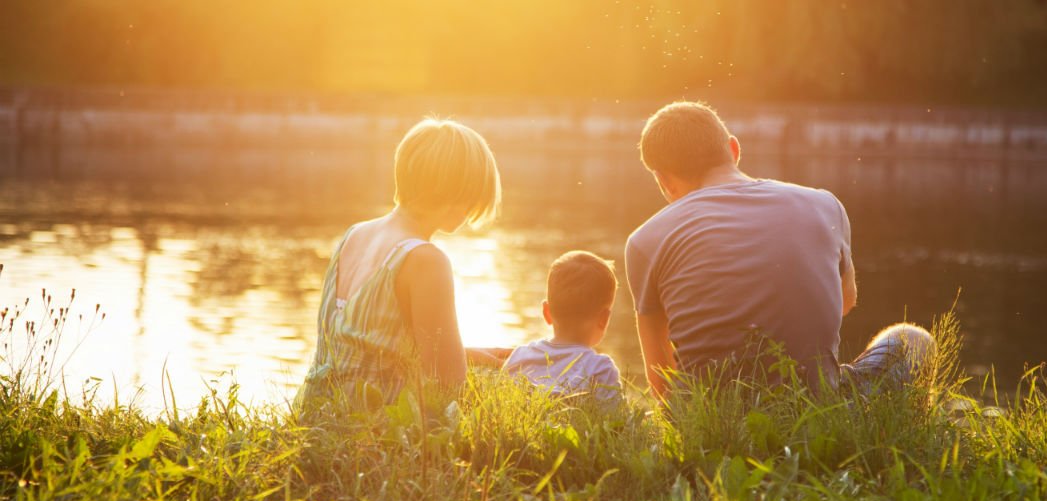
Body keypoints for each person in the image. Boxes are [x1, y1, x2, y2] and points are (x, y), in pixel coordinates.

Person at [624, 101, 933, 397]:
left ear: (663, 181)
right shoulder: (825, 205)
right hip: (817, 411)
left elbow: (660, 378)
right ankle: (903, 435)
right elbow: (843, 301)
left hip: (709, 422)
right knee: (913, 340)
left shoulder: (644, 240)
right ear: (733, 149)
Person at [297, 118, 501, 410]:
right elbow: (447, 384)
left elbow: (372, 348)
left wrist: (486, 356)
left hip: (317, 418)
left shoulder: (355, 235)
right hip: (372, 434)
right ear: (460, 189)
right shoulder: (426, 260)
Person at [503, 250, 623, 403]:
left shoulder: (520, 355)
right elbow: (617, 422)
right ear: (604, 319)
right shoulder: (600, 369)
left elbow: (501, 401)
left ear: (546, 312)